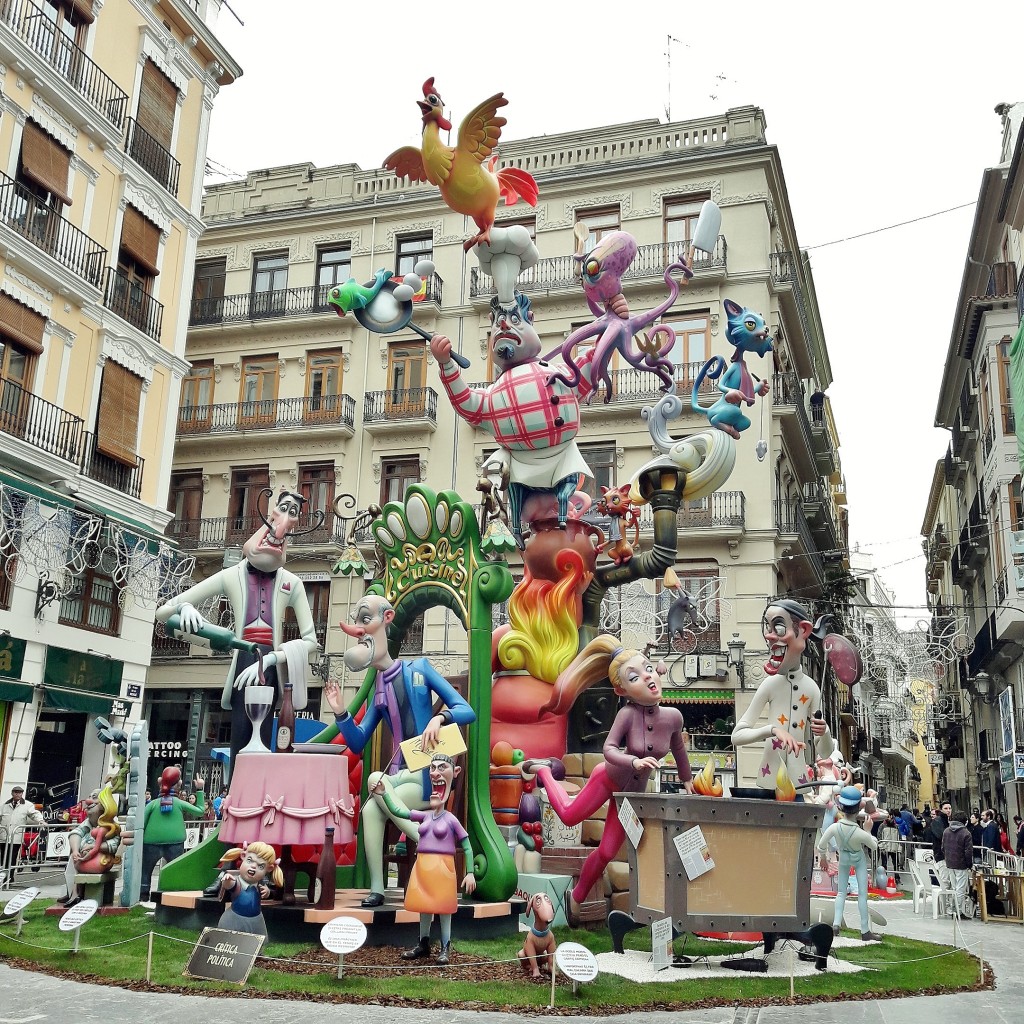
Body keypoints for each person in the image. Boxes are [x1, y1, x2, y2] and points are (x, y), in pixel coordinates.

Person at [524, 635, 694, 923]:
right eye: (635, 676)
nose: (648, 677)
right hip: (609, 778)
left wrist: (687, 780)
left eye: (648, 668)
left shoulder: (673, 717)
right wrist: (633, 760)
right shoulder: (626, 715)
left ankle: (576, 897)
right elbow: (608, 749)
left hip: (630, 795)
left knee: (606, 852)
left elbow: (678, 749)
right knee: (567, 815)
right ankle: (542, 770)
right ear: (621, 689)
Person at [323, 593, 475, 908]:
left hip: (427, 777)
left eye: (366, 619)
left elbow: (467, 710)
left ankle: (425, 839)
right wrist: (340, 712)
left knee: (374, 788)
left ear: (387, 618)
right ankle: (380, 885)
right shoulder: (378, 686)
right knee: (370, 805)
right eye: (358, 623)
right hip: (398, 778)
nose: (361, 629)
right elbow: (357, 742)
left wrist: (440, 717)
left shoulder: (419, 669)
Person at [156, 489, 320, 769]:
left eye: (294, 513)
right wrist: (185, 608)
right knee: (241, 733)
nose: (286, 519)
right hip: (243, 655)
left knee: (266, 734)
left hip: (269, 661)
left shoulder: (292, 583)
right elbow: (164, 611)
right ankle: (236, 790)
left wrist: (273, 657)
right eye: (284, 509)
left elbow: (311, 641)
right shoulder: (232, 575)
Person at [371, 753, 476, 965]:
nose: (435, 772)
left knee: (444, 909)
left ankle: (445, 947)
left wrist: (470, 872)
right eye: (432, 768)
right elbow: (398, 811)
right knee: (424, 907)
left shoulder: (451, 820)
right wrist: (384, 794)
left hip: (443, 867)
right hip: (423, 865)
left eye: (441, 767)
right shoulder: (424, 816)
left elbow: (466, 844)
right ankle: (423, 943)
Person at [731, 600, 836, 793]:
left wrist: (825, 732)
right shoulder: (770, 684)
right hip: (769, 780)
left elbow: (825, 752)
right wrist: (772, 730)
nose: (769, 636)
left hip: (799, 784)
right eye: (767, 627)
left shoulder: (812, 688)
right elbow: (736, 736)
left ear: (803, 631)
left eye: (778, 627)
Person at [817, 785, 880, 941]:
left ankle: (836, 924)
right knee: (862, 895)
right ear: (859, 808)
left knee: (840, 892)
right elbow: (874, 845)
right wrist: (868, 831)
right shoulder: (860, 832)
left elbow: (821, 845)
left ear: (840, 806)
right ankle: (865, 930)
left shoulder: (834, 827)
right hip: (858, 859)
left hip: (843, 857)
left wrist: (823, 858)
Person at [139, 767, 206, 902]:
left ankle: (143, 894)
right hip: (175, 843)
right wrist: (199, 790)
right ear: (179, 783)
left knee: (146, 871)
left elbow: (141, 823)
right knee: (175, 870)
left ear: (160, 781)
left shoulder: (152, 804)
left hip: (151, 842)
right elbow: (200, 811)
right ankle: (172, 894)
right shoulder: (179, 803)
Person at [215, 842, 283, 937]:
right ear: (243, 856)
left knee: (255, 944)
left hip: (256, 920)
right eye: (250, 860)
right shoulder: (237, 883)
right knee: (233, 941)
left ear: (269, 869)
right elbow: (229, 885)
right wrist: (227, 880)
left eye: (260, 866)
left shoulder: (259, 886)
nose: (253, 866)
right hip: (235, 919)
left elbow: (265, 895)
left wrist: (267, 892)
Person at [1, 786, 43, 875]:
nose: (17, 794)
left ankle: (9, 876)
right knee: (3, 858)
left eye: (19, 792)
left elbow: (34, 814)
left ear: (22, 794)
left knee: (12, 857)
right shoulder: (4, 805)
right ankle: (3, 876)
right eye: (15, 792)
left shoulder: (27, 805)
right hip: (4, 836)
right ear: (12, 793)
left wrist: (41, 820)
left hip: (16, 837)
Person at [941, 811, 974, 918]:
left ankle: (954, 909)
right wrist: (969, 864)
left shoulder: (946, 831)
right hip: (961, 864)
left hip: (950, 863)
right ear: (965, 821)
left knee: (955, 887)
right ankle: (958, 911)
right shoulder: (966, 833)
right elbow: (968, 852)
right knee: (960, 888)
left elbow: (943, 848)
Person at [930, 801, 952, 889]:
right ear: (941, 809)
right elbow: (941, 835)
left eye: (950, 808)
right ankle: (943, 901)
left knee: (948, 880)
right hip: (941, 854)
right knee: (945, 880)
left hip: (947, 854)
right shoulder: (938, 821)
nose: (948, 810)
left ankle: (946, 901)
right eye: (946, 808)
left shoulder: (947, 820)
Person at [877, 812, 900, 877]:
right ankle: (884, 876)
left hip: (894, 847)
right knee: (884, 863)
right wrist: (881, 847)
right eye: (887, 817)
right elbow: (879, 836)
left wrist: (898, 847)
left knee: (895, 863)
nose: (889, 818)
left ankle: (897, 877)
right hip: (885, 848)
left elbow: (899, 836)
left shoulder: (896, 826)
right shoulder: (882, 825)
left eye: (890, 816)